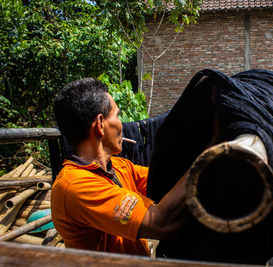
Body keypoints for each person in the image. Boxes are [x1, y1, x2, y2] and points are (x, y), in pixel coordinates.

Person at [51, 78, 189, 256]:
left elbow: (164, 178)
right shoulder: (75, 186)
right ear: (101, 124)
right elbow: (161, 223)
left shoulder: (118, 165)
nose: (121, 124)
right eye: (116, 115)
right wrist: (207, 158)